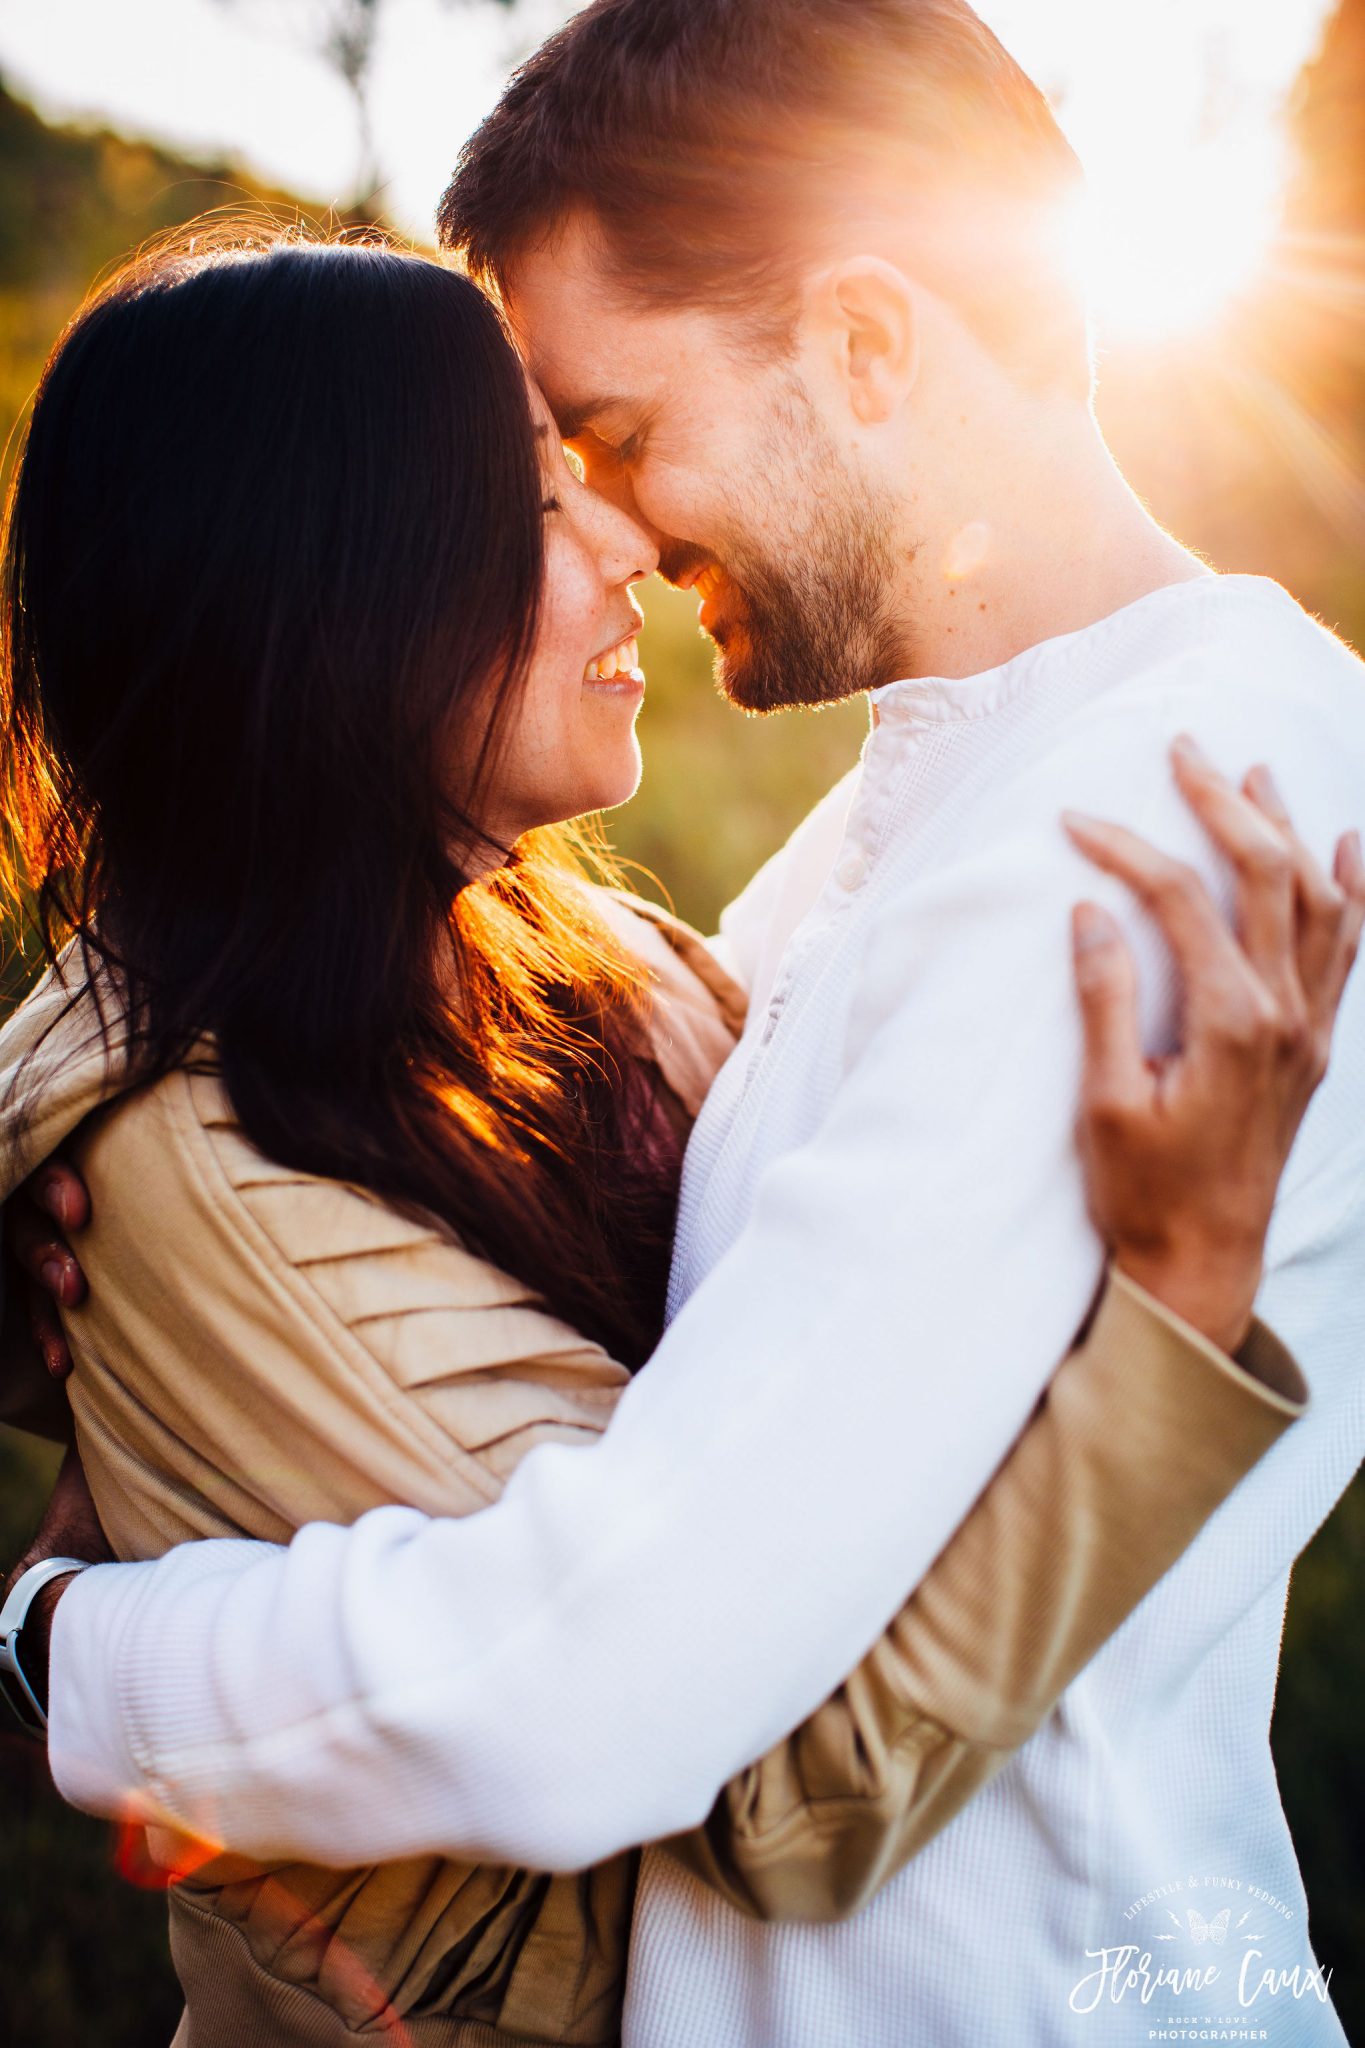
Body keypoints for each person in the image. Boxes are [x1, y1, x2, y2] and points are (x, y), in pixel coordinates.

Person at [8, 0, 1365, 2040]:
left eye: (616, 435)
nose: (615, 536)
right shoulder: (882, 838)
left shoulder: (1159, 839)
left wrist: (65, 1639)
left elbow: (620, 1681)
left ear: (865, 344)